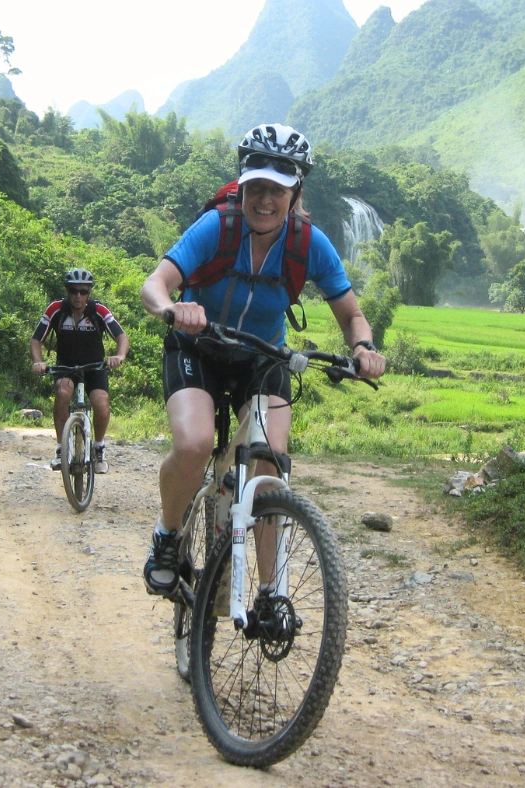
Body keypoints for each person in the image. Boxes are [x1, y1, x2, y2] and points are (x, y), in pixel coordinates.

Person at [138, 122, 387, 596]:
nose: (265, 199)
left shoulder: (309, 244)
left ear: (296, 194)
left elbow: (352, 314)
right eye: (256, 187)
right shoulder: (219, 226)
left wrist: (363, 349)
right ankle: (167, 537)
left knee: (270, 469)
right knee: (194, 444)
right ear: (243, 186)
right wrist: (174, 308)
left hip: (264, 358)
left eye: (278, 189)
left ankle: (272, 593)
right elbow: (155, 284)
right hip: (199, 347)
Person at [30, 268, 129, 474]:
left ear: (89, 293)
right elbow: (36, 339)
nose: (78, 296)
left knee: (101, 403)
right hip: (65, 366)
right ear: (67, 291)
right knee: (62, 393)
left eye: (83, 291)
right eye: (73, 291)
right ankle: (60, 450)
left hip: (94, 366)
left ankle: (99, 448)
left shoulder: (99, 311)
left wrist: (119, 356)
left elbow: (121, 337)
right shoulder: (56, 309)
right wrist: (38, 361)